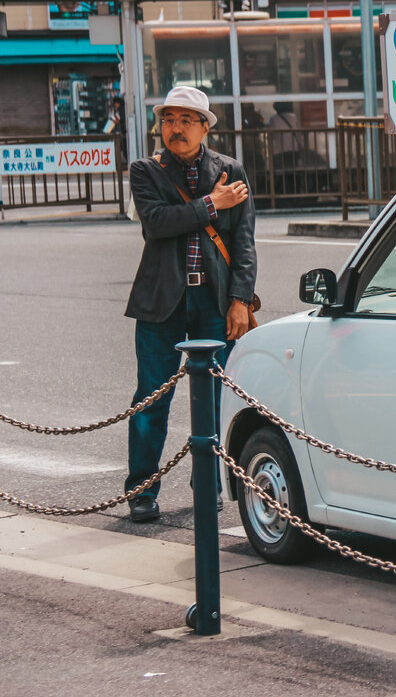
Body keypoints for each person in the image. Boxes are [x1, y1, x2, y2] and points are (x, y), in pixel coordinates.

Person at [124, 86, 257, 523]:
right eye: (168, 120)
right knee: (151, 399)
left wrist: (239, 300)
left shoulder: (230, 169)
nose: (174, 128)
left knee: (218, 399)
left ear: (205, 126)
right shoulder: (146, 170)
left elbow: (243, 241)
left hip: (214, 301)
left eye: (185, 120)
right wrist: (211, 203)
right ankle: (141, 490)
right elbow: (158, 224)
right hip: (163, 301)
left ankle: (210, 483)